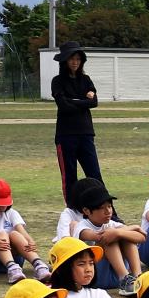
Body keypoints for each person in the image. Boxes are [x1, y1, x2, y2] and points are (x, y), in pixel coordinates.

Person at [56, 178, 144, 295]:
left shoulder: (112, 224)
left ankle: (138, 277)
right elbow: (101, 237)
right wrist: (131, 228)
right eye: (101, 208)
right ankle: (125, 279)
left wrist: (121, 232)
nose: (108, 211)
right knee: (108, 239)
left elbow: (142, 237)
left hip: (113, 275)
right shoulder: (81, 227)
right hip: (94, 276)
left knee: (125, 237)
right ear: (86, 211)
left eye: (109, 206)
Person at [50, 42, 102, 194]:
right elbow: (63, 105)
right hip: (66, 135)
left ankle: (108, 212)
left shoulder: (86, 80)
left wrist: (73, 100)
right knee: (70, 178)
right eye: (72, 58)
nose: (75, 62)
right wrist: (83, 102)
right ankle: (73, 211)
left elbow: (94, 102)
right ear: (64, 60)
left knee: (95, 175)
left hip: (86, 133)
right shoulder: (57, 81)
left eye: (78, 59)